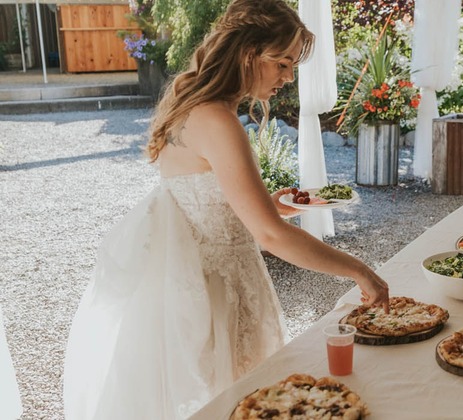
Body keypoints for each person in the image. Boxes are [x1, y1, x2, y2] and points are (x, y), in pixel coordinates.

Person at [62, 1, 390, 418]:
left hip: (199, 284)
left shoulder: (187, 101)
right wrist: (360, 270)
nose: (288, 78)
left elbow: (204, 204)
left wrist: (267, 207)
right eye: (283, 63)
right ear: (249, 53)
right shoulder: (216, 119)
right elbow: (270, 236)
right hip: (214, 298)